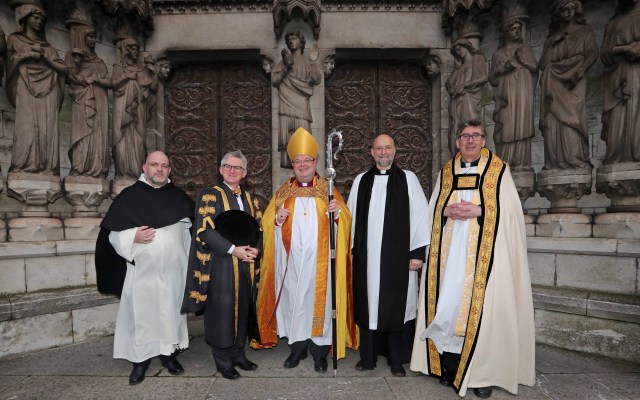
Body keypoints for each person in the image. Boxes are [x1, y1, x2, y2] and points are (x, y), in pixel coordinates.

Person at [410, 119, 535, 398]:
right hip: (450, 256)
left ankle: (482, 374)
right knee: (449, 306)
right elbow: (434, 210)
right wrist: (446, 211)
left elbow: (511, 213)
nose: (470, 141)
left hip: (485, 258)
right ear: (457, 142)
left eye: (476, 136)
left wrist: (480, 211)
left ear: (483, 141)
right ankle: (450, 367)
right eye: (465, 136)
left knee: (483, 311)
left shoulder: (498, 171)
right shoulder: (447, 171)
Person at [253, 127, 358, 372]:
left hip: (320, 265)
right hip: (291, 265)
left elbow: (346, 222)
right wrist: (277, 220)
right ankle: (297, 349)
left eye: (306, 161)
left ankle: (320, 353)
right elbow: (267, 224)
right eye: (297, 161)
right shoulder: (283, 192)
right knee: (294, 304)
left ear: (314, 162)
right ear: (293, 165)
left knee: (319, 305)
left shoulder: (328, 191)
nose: (302, 165)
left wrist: (337, 215)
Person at [96, 151, 194, 385]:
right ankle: (140, 362)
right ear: (145, 167)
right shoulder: (130, 197)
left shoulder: (179, 197)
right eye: (154, 165)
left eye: (164, 166)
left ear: (170, 170)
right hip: (142, 274)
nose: (160, 169)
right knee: (141, 317)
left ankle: (169, 355)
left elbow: (191, 233)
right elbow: (112, 236)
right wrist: (133, 236)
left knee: (171, 314)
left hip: (173, 273)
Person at [347, 134, 429, 377]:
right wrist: (350, 250)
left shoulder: (408, 179)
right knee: (369, 303)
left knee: (397, 305)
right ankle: (368, 357)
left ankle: (396, 359)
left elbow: (420, 217)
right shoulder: (361, 181)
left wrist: (416, 254)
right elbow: (350, 217)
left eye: (388, 148)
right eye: (379, 148)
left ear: (395, 151)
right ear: (371, 152)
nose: (383, 152)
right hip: (367, 257)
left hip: (398, 258)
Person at [182, 150, 263, 380]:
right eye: (227, 166)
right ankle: (223, 360)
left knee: (244, 308)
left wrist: (255, 249)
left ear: (245, 173)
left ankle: (238, 354)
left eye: (237, 168)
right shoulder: (210, 195)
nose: (232, 170)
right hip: (221, 263)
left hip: (245, 264)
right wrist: (232, 249)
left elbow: (258, 230)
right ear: (220, 169)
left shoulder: (251, 199)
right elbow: (204, 230)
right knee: (222, 311)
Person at [6, 1, 67, 175]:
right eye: (36, 16)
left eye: (42, 18)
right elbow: (9, 62)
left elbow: (64, 70)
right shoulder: (14, 40)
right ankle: (23, 165)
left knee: (47, 129)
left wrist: (46, 59)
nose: (39, 21)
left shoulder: (50, 48)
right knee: (26, 127)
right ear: (25, 18)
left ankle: (47, 168)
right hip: (25, 88)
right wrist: (27, 55)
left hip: (49, 91)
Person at [538, 0, 598, 170]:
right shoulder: (552, 39)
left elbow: (592, 54)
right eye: (565, 9)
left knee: (572, 122)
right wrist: (550, 45)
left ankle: (575, 159)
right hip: (553, 84)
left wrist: (581, 69)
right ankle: (556, 162)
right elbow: (543, 65)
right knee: (553, 124)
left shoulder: (584, 31)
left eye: (572, 8)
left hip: (573, 83)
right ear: (557, 13)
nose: (569, 12)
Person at [489, 18, 538, 172]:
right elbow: (492, 78)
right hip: (506, 97)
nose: (517, 31)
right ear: (505, 32)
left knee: (521, 126)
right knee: (506, 126)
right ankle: (505, 163)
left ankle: (522, 163)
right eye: (513, 29)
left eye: (519, 28)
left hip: (522, 96)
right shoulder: (499, 54)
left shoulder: (525, 49)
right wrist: (505, 68)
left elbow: (535, 68)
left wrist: (523, 61)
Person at [65, 19, 111, 178]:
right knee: (83, 134)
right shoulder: (72, 58)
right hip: (82, 100)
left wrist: (96, 79)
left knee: (97, 136)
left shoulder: (100, 63)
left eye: (95, 36)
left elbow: (110, 81)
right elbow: (70, 77)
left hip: (99, 101)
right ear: (82, 37)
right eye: (90, 36)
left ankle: (96, 168)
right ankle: (80, 167)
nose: (94, 40)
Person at [272, 31, 323, 168]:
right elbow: (275, 81)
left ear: (301, 41)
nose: (290, 41)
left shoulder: (307, 61)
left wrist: (313, 61)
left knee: (303, 144)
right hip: (285, 106)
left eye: (293, 38)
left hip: (301, 108)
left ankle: (305, 169)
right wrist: (286, 67)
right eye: (288, 39)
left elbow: (317, 79)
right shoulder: (281, 63)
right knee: (287, 145)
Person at [600, 0, 640, 164]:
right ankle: (618, 157)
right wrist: (624, 48)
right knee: (618, 117)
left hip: (637, 74)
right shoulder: (613, 23)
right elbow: (604, 53)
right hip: (617, 79)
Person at [111, 36, 157, 179]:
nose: (136, 51)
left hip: (138, 111)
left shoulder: (141, 70)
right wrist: (127, 76)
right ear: (126, 49)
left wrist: (153, 72)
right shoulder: (118, 68)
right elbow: (113, 84)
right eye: (132, 48)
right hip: (122, 106)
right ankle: (122, 171)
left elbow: (154, 87)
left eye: (137, 48)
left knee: (138, 140)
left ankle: (136, 171)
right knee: (121, 138)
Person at [445, 38, 487, 158]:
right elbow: (449, 85)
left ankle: (476, 158)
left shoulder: (477, 59)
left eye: (459, 49)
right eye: (456, 51)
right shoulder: (460, 67)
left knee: (470, 128)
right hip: (457, 100)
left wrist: (466, 86)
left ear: (467, 47)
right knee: (456, 128)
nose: (458, 53)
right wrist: (457, 69)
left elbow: (483, 77)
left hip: (470, 98)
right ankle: (458, 157)